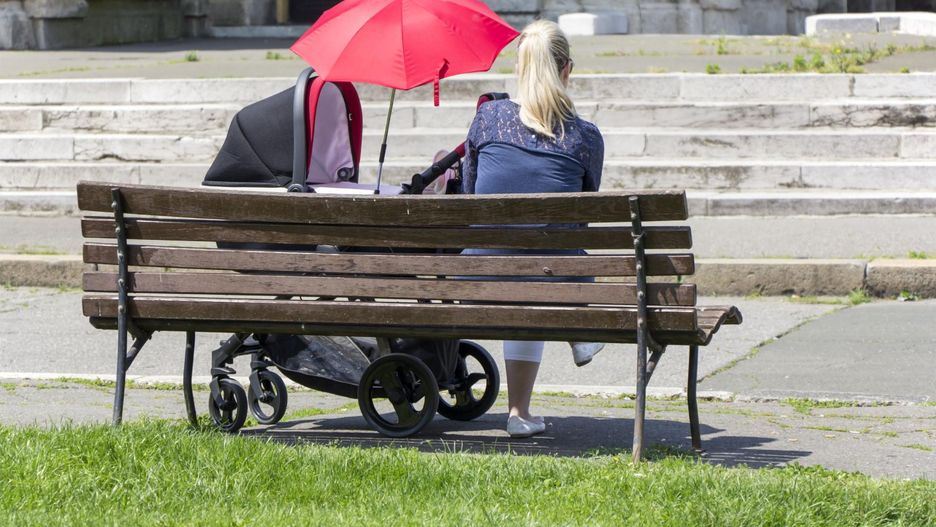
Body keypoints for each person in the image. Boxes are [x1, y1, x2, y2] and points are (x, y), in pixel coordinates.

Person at [462, 19, 605, 438]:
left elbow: (471, 195)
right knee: (546, 260)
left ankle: (521, 408)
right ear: (567, 70)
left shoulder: (489, 118)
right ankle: (521, 409)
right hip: (549, 278)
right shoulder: (584, 137)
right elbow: (582, 216)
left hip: (478, 277)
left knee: (513, 257)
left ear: (521, 68)